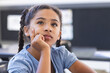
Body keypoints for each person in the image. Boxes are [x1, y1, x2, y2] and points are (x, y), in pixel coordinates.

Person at [7, 4, 96, 73]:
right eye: (40, 22)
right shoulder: (19, 63)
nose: (48, 28)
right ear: (27, 30)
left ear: (59, 35)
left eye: (54, 24)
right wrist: (45, 51)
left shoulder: (61, 54)